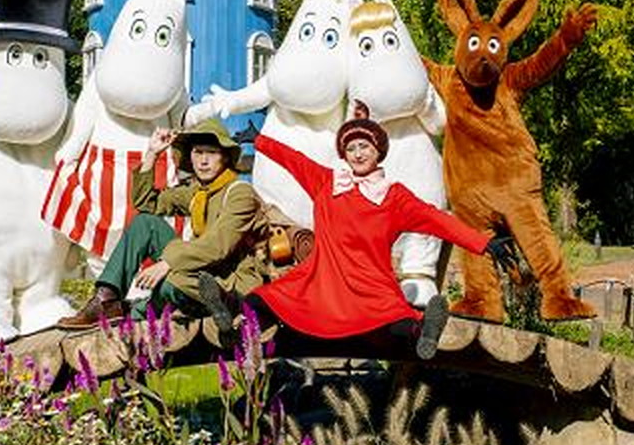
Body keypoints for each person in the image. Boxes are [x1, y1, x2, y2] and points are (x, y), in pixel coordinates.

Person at [199, 102, 518, 359]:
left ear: (378, 151)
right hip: (322, 280)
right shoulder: (328, 182)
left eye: (365, 146)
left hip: (371, 287)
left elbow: (438, 219)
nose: (358, 153)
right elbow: (294, 160)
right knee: (265, 301)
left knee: (397, 324)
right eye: (351, 149)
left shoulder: (394, 197)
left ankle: (425, 334)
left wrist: (483, 243)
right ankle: (230, 316)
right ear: (344, 154)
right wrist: (260, 141)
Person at [58, 119, 271, 328]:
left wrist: (167, 263)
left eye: (211, 153)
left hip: (231, 281)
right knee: (146, 223)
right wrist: (152, 153)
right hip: (199, 273)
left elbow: (218, 245)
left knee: (171, 282)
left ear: (224, 157)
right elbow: (146, 204)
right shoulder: (197, 193)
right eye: (198, 152)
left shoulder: (240, 193)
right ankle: (107, 300)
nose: (203, 161)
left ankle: (219, 304)